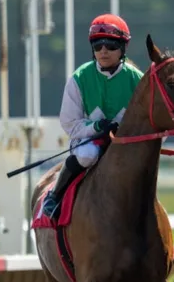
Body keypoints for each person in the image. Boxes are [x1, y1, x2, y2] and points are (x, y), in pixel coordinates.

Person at [39, 13, 143, 219]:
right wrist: (96, 127)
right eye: (97, 45)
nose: (103, 50)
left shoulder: (138, 80)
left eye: (110, 45)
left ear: (123, 47)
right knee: (88, 154)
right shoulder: (79, 78)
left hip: (125, 142)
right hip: (89, 140)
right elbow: (69, 123)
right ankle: (55, 195)